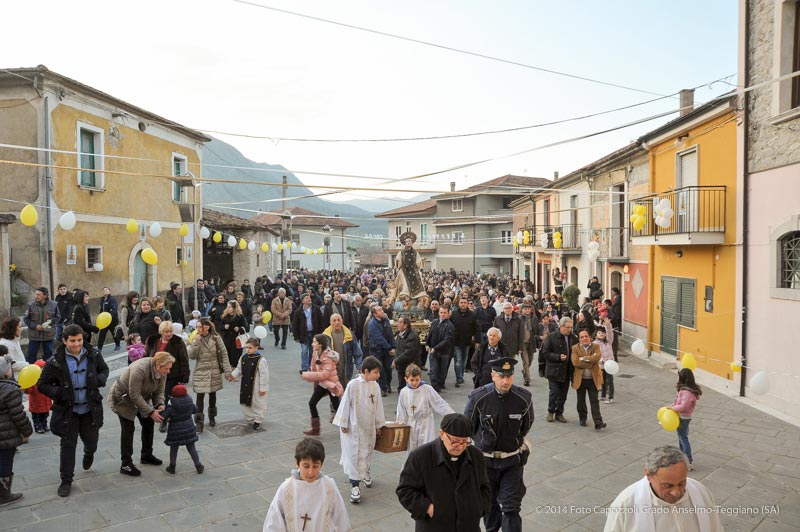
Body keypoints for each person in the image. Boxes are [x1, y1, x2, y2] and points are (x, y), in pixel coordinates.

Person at [38, 324, 109, 497]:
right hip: (67, 412)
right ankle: (66, 480)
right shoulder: (55, 361)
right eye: (72, 341)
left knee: (92, 442)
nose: (77, 344)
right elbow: (42, 384)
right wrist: (58, 392)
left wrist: (99, 380)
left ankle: (88, 452)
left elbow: (104, 370)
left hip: (90, 409)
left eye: (79, 340)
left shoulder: (93, 354)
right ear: (64, 340)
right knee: (68, 445)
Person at [464, 358, 533, 532]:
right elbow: (469, 427)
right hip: (485, 463)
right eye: (501, 376)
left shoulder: (523, 398)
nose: (506, 381)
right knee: (489, 505)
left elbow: (525, 426)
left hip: (512, 463)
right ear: (493, 375)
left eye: (509, 376)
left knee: (511, 508)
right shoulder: (478, 398)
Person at [396, 413, 491, 532]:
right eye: (455, 441)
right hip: (434, 526)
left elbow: (485, 487)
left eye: (464, 442)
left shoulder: (476, 455)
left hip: (468, 526)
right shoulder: (420, 456)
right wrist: (429, 508)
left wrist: (479, 508)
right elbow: (405, 491)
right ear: (442, 434)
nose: (460, 447)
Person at [604, 446, 723, 532]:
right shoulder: (625, 504)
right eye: (668, 486)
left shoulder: (700, 492)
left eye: (681, 483)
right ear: (649, 475)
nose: (676, 493)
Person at [263, 438, 351, 532]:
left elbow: (341, 517)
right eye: (306, 466)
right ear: (297, 462)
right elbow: (273, 523)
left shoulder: (328, 486)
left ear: (321, 464)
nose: (310, 472)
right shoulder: (286, 489)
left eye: (315, 466)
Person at [108, 351, 174, 476]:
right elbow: (134, 394)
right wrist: (150, 411)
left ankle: (146, 455)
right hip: (123, 398)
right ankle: (126, 464)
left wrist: (160, 404)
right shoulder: (139, 369)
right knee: (128, 429)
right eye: (166, 368)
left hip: (142, 397)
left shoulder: (162, 372)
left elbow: (160, 391)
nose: (168, 371)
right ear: (158, 365)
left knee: (148, 424)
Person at [332, 356, 385, 505]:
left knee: (367, 451)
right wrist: (343, 422)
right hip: (353, 428)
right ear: (366, 371)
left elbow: (379, 405)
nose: (378, 375)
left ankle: (366, 471)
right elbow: (345, 403)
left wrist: (379, 425)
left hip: (368, 427)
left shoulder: (375, 386)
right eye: (376, 372)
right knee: (354, 455)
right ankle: (355, 486)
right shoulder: (353, 385)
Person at [144, 320, 191, 432]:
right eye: (166, 332)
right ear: (161, 332)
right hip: (155, 374)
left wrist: (184, 377)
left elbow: (184, 360)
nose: (169, 334)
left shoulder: (177, 341)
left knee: (164, 397)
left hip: (171, 375)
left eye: (170, 331)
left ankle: (164, 419)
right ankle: (161, 416)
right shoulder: (153, 341)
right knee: (156, 397)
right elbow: (146, 355)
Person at [188, 318, 232, 432]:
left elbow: (224, 354)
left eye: (199, 327)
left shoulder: (216, 338)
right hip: (201, 371)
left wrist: (228, 372)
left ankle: (212, 417)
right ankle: (199, 422)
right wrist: (196, 342)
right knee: (199, 397)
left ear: (206, 327)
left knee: (213, 395)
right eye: (196, 327)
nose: (197, 329)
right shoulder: (195, 338)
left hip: (214, 371)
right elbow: (192, 356)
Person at [396, 364, 454, 451]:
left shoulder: (427, 389)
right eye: (411, 380)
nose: (414, 383)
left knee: (427, 448)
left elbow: (439, 403)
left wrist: (452, 415)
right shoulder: (404, 392)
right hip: (412, 424)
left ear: (420, 378)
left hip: (426, 423)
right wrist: (400, 425)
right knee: (412, 449)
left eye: (417, 380)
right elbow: (401, 410)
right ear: (406, 379)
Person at [301, 334, 343, 436]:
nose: (312, 344)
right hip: (323, 383)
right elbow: (314, 367)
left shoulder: (329, 356)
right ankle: (316, 429)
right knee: (312, 403)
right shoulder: (315, 353)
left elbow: (325, 374)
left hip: (331, 385)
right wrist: (312, 375)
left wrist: (307, 375)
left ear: (320, 344)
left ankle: (348, 427)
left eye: (314, 342)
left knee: (338, 408)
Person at [540, 317, 577, 423]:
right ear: (561, 326)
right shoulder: (552, 337)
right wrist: (557, 357)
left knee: (563, 394)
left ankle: (559, 413)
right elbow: (545, 353)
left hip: (567, 371)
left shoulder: (573, 338)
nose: (569, 329)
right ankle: (551, 412)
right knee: (554, 392)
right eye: (567, 327)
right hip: (554, 370)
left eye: (571, 327)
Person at [161, 384, 204, 474]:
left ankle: (172, 467)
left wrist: (161, 410)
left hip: (175, 431)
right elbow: (195, 410)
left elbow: (163, 417)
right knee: (192, 448)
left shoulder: (171, 405)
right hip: (189, 429)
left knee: (174, 448)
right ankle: (198, 466)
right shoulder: (189, 402)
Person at [229, 338, 270, 432]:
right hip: (245, 384)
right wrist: (233, 376)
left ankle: (258, 420)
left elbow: (264, 375)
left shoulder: (261, 360)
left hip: (256, 386)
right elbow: (239, 369)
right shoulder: (243, 357)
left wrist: (263, 388)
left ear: (256, 348)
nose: (247, 350)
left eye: (250, 348)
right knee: (245, 401)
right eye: (246, 348)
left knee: (257, 402)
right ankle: (250, 418)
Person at [571, 329, 606, 430]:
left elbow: (597, 358)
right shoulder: (575, 348)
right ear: (579, 339)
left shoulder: (596, 346)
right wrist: (590, 360)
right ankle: (583, 418)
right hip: (580, 379)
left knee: (594, 401)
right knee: (581, 401)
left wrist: (583, 358)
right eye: (582, 337)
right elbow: (575, 363)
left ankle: (598, 422)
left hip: (593, 379)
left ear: (589, 337)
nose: (584, 338)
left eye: (586, 336)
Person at [668, 368, 702, 470]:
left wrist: (672, 408)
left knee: (683, 438)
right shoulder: (684, 390)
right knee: (681, 437)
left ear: (683, 378)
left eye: (678, 375)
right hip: (681, 417)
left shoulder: (686, 392)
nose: (677, 377)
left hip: (683, 417)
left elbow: (684, 407)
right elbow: (679, 403)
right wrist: (672, 406)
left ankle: (689, 461)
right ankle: (682, 458)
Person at [324, 313, 363, 387]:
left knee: (346, 392)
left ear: (342, 321)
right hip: (332, 370)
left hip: (346, 368)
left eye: (338, 320)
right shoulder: (325, 336)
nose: (336, 322)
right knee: (335, 393)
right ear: (330, 322)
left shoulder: (349, 335)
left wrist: (359, 366)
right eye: (334, 320)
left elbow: (357, 352)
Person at [23, 286, 60, 363]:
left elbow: (58, 317)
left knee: (49, 355)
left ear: (45, 296)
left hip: (48, 335)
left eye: (38, 294)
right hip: (34, 335)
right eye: (36, 294)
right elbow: (26, 319)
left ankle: (47, 371)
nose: (36, 296)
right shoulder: (30, 305)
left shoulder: (54, 305)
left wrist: (50, 322)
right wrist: (35, 326)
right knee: (31, 355)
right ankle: (31, 371)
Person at [450, 297, 479, 388]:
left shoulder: (472, 314)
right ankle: (459, 378)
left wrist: (477, 341)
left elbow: (477, 328)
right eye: (461, 302)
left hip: (467, 342)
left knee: (464, 360)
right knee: (458, 360)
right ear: (458, 303)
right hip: (456, 341)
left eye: (465, 302)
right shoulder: (453, 314)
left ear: (467, 304)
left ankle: (461, 375)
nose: (463, 304)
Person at [367, 305, 396, 397]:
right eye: (379, 310)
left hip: (387, 350)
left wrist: (393, 346)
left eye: (381, 309)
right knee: (380, 369)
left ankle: (388, 384)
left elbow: (390, 334)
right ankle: (382, 388)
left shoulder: (386, 320)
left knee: (388, 369)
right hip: (377, 350)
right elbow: (379, 338)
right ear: (375, 314)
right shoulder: (372, 324)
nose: (382, 311)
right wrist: (389, 347)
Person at [292, 293, 325, 374]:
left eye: (309, 297)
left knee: (313, 351)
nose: (309, 299)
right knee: (304, 350)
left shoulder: (316, 309)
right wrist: (296, 337)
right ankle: (304, 367)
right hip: (303, 334)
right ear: (303, 301)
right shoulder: (298, 311)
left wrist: (321, 333)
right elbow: (295, 324)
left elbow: (321, 321)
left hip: (314, 333)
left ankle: (311, 366)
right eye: (306, 298)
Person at [425, 305, 455, 393]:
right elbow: (429, 334)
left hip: (444, 352)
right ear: (439, 313)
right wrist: (427, 344)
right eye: (441, 312)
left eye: (444, 313)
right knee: (433, 370)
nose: (443, 314)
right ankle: (435, 388)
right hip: (433, 351)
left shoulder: (450, 326)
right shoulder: (434, 322)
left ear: (448, 313)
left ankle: (440, 384)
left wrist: (435, 348)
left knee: (442, 371)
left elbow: (446, 340)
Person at [394, 233, 427, 300]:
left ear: (412, 243)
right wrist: (397, 261)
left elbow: (418, 262)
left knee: (419, 276)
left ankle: (418, 294)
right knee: (405, 282)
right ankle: (406, 294)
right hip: (404, 270)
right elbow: (398, 261)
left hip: (413, 270)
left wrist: (421, 262)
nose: (408, 243)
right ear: (405, 243)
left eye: (410, 241)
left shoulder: (415, 252)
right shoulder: (401, 252)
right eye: (407, 241)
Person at [392, 316, 420, 391]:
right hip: (401, 365)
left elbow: (408, 353)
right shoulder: (399, 333)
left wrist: (396, 360)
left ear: (405, 325)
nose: (398, 324)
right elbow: (398, 349)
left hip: (409, 365)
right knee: (401, 385)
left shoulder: (412, 336)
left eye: (400, 323)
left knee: (409, 386)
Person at [24, 359, 52, 434]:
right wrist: (26, 386)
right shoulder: (32, 381)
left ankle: (44, 425)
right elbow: (28, 391)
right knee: (37, 417)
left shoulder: (48, 379)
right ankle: (38, 427)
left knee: (45, 415)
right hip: (36, 404)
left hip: (46, 403)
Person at [219, 300, 248, 368]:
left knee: (235, 355)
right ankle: (229, 370)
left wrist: (239, 328)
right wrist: (224, 327)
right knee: (227, 354)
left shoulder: (240, 317)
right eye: (227, 307)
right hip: (227, 338)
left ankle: (235, 369)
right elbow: (219, 326)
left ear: (234, 308)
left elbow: (246, 327)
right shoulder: (224, 316)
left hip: (237, 339)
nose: (228, 309)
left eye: (229, 307)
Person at [518, 303, 540, 387]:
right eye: (525, 309)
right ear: (522, 310)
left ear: (531, 310)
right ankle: (527, 379)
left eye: (528, 309)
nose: (527, 310)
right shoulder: (519, 318)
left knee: (530, 361)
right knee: (526, 361)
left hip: (531, 342)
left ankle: (524, 371)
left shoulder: (534, 318)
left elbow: (537, 330)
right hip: (522, 342)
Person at [595, 318, 615, 404]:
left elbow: (610, 333)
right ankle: (603, 396)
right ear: (596, 336)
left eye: (603, 333)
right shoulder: (595, 344)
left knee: (610, 381)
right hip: (602, 365)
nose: (601, 334)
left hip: (610, 365)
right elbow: (596, 354)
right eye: (599, 333)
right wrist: (602, 360)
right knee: (602, 381)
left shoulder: (609, 341)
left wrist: (608, 325)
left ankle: (611, 397)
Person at [96, 287, 120, 351]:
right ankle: (99, 348)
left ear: (110, 292)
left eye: (107, 289)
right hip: (104, 321)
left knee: (114, 333)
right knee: (102, 334)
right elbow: (101, 309)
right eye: (104, 290)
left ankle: (118, 345)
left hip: (112, 320)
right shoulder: (102, 299)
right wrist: (100, 317)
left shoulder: (112, 299)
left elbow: (114, 310)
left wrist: (109, 317)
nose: (105, 291)